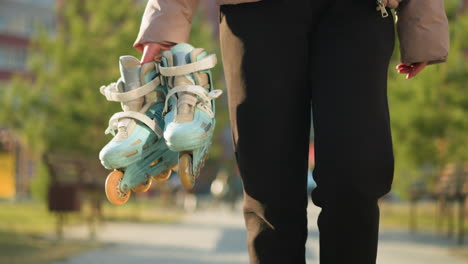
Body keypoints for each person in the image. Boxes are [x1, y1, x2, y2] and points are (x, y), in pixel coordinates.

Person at [133, 0, 449, 263]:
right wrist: (167, 18)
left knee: (356, 178)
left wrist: (423, 21)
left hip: (358, 12)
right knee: (268, 187)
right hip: (257, 15)